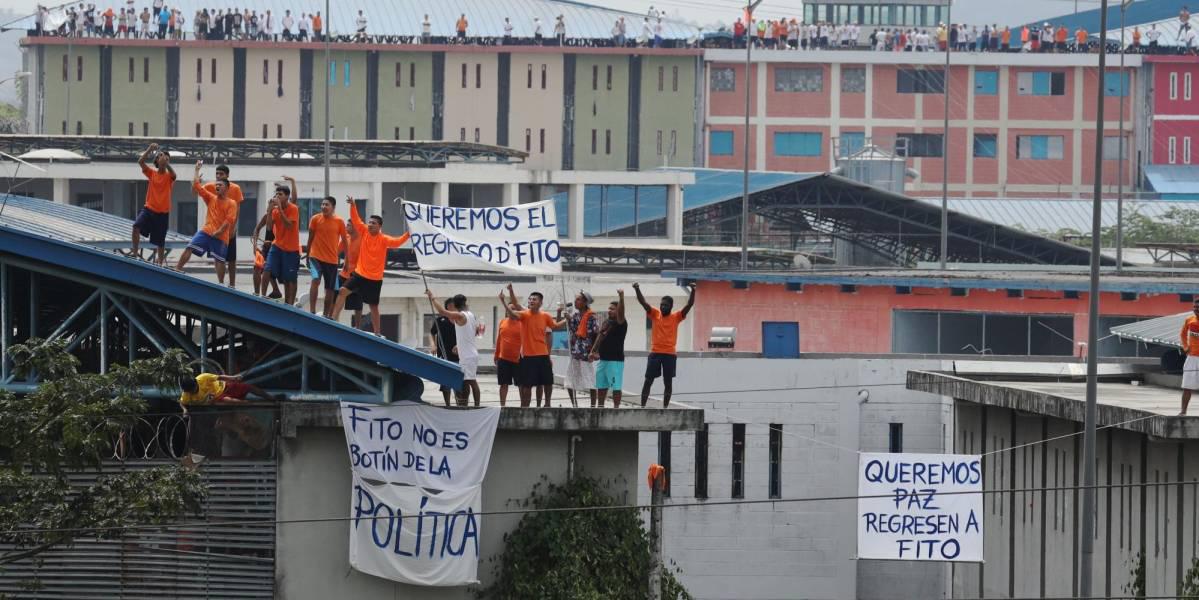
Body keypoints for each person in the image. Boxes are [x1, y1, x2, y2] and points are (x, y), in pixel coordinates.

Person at [330, 196, 410, 335]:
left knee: (373, 306)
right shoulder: (364, 230)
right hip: (360, 274)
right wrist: (353, 205)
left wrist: (409, 234)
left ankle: (377, 332)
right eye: (370, 222)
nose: (370, 224)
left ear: (379, 226)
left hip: (374, 278)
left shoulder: (384, 239)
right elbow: (356, 219)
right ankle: (333, 318)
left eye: (373, 223)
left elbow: (397, 242)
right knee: (342, 291)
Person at [633, 282, 695, 408]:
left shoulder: (676, 317)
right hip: (655, 352)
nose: (662, 307)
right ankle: (642, 407)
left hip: (669, 354)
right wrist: (637, 289)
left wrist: (693, 290)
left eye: (665, 305)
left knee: (668, 382)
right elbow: (643, 303)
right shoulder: (655, 314)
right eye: (661, 305)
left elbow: (689, 305)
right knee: (648, 380)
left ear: (671, 306)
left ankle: (665, 408)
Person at [503, 284, 564, 407]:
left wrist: (566, 319)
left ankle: (547, 404)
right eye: (530, 299)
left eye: (534, 299)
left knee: (547, 381)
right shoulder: (525, 314)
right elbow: (514, 306)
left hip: (543, 354)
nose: (531, 301)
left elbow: (555, 326)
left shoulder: (545, 315)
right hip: (528, 356)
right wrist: (509, 292)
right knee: (527, 384)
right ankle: (525, 407)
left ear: (540, 302)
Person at [176, 161, 237, 282]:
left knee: (220, 260)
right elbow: (197, 186)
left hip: (221, 236)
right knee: (189, 247)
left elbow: (229, 220)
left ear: (227, 187)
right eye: (217, 185)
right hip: (206, 231)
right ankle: (177, 269)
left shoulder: (231, 203)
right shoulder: (211, 197)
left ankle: (220, 283)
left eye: (220, 185)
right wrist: (197, 170)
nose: (217, 186)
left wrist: (219, 232)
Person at [427, 290, 482, 407]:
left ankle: (477, 406)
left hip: (468, 355)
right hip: (467, 353)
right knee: (465, 383)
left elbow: (442, 311)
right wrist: (459, 345)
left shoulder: (460, 315)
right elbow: (472, 332)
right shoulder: (471, 315)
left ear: (456, 306)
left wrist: (432, 298)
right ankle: (464, 405)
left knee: (471, 381)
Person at [252, 176, 300, 305]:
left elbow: (289, 225)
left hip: (291, 249)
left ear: (287, 196)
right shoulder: (273, 211)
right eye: (276, 194)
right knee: (266, 269)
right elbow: (268, 226)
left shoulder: (293, 208)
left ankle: (289, 305)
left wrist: (280, 209)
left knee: (289, 279)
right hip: (276, 245)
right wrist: (269, 210)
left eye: (281, 194)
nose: (277, 196)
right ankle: (262, 297)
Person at [304, 196, 350, 317]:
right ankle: (312, 311)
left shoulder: (339, 221)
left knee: (330, 289)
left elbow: (345, 242)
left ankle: (325, 315)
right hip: (315, 256)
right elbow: (310, 238)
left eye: (327, 205)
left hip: (331, 260)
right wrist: (307, 255)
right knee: (316, 279)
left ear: (333, 207)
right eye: (322, 204)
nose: (324, 207)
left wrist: (347, 261)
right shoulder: (315, 219)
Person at [132, 143, 175, 266]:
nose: (165, 158)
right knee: (136, 226)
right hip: (149, 209)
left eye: (167, 158)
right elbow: (140, 162)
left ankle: (160, 263)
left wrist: (167, 163)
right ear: (157, 160)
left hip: (163, 213)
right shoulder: (152, 173)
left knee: (160, 241)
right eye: (162, 156)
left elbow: (174, 175)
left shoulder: (169, 176)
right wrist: (150, 149)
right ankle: (135, 255)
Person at [203, 165, 243, 288]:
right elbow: (198, 190)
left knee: (231, 258)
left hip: (229, 229)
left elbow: (238, 209)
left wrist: (234, 226)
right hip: (215, 229)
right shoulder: (211, 187)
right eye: (217, 174)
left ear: (227, 175)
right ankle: (220, 283)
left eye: (221, 174)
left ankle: (232, 284)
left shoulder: (235, 188)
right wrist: (195, 179)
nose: (218, 176)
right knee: (217, 257)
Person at [560, 290, 598, 408]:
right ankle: (574, 404)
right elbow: (572, 329)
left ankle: (593, 406)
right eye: (576, 299)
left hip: (586, 353)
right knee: (570, 380)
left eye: (578, 299)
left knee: (590, 380)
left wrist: (595, 351)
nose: (576, 302)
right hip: (575, 352)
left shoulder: (591, 316)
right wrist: (567, 318)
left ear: (585, 302)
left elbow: (596, 334)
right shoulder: (575, 316)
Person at [590, 289, 627, 408]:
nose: (609, 310)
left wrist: (621, 297)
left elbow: (621, 312)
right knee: (601, 385)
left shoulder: (621, 322)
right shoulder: (606, 321)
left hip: (615, 360)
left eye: (612, 309)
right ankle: (600, 407)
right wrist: (593, 351)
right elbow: (600, 336)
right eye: (609, 308)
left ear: (618, 310)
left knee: (616, 387)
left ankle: (616, 408)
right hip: (603, 359)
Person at [336, 201, 364, 327]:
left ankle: (358, 327)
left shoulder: (363, 240)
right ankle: (334, 319)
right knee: (336, 294)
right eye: (346, 225)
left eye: (349, 225)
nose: (346, 227)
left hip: (357, 275)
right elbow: (336, 251)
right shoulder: (346, 238)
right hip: (344, 273)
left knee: (357, 304)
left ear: (355, 227)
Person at [429, 297, 459, 406]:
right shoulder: (440, 320)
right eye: (451, 305)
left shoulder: (460, 319)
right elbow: (432, 333)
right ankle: (447, 404)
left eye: (455, 305)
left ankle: (460, 403)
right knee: (445, 384)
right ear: (447, 307)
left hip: (459, 357)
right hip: (444, 355)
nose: (453, 307)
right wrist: (433, 345)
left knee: (458, 383)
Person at [494, 306, 522, 407]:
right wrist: (496, 355)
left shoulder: (522, 323)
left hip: (519, 359)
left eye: (514, 308)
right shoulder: (503, 322)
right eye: (509, 309)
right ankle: (502, 406)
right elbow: (499, 340)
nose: (511, 311)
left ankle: (523, 407)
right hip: (503, 359)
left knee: (521, 385)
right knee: (503, 384)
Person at [1181, 299, 1199, 415]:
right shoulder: (1189, 320)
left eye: (1198, 308)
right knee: (1187, 386)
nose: (1196, 310)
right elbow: (1182, 334)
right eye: (1195, 307)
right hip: (1192, 358)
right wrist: (1185, 347)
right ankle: (1183, 411)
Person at [253, 234, 281, 298]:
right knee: (258, 266)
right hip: (268, 246)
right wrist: (255, 242)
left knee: (267, 268)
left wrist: (271, 243)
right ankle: (257, 294)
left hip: (277, 247)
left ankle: (263, 295)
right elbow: (257, 230)